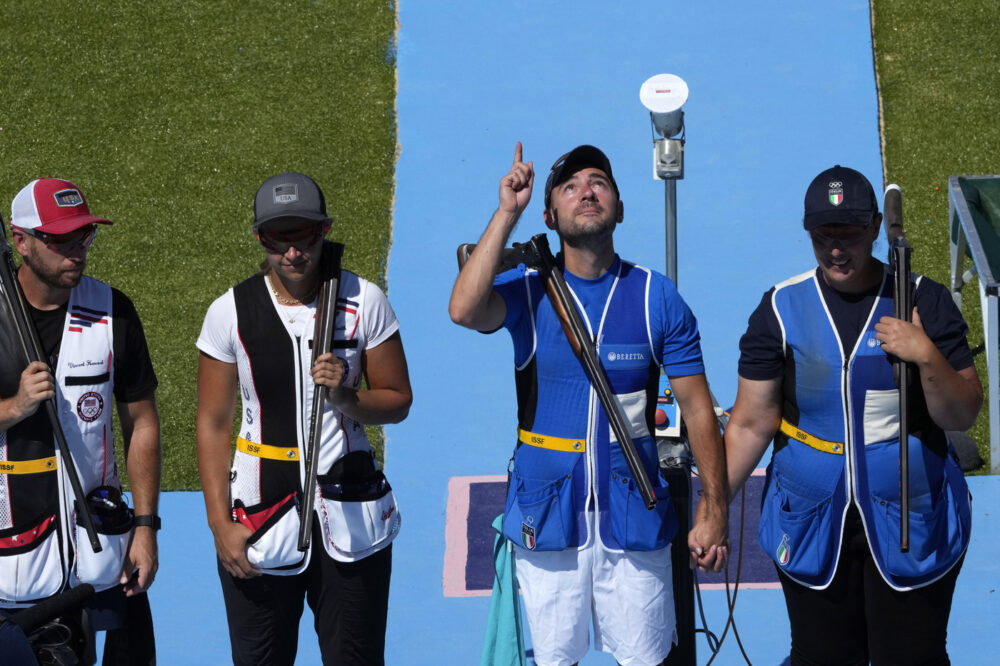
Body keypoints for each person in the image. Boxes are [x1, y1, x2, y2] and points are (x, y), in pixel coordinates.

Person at [449, 143, 729, 666]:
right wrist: (507, 212)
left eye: (599, 182)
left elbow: (697, 410)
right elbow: (463, 308)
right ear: (550, 215)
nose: (587, 192)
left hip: (636, 521)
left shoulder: (656, 297)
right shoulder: (526, 291)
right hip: (548, 520)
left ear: (619, 208)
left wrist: (714, 510)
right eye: (571, 185)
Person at [725, 166, 982, 665]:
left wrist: (926, 353)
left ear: (873, 228)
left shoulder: (924, 299)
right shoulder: (778, 308)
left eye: (849, 233)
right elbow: (751, 422)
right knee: (820, 656)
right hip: (812, 520)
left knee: (913, 656)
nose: (836, 248)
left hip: (911, 518)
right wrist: (714, 508)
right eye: (823, 235)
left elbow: (963, 413)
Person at [196, 172, 412, 665]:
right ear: (259, 238)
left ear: (325, 229)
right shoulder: (228, 312)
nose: (293, 253)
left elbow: (398, 400)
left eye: (305, 236)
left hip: (351, 522)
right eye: (279, 239)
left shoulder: (365, 301)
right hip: (257, 518)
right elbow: (212, 422)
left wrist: (347, 396)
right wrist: (218, 524)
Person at [0, 178, 162, 664]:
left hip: (94, 557)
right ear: (21, 241)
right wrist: (14, 408)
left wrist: (147, 526)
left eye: (84, 236)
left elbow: (142, 424)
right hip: (9, 564)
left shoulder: (114, 311)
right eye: (60, 239)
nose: (76, 250)